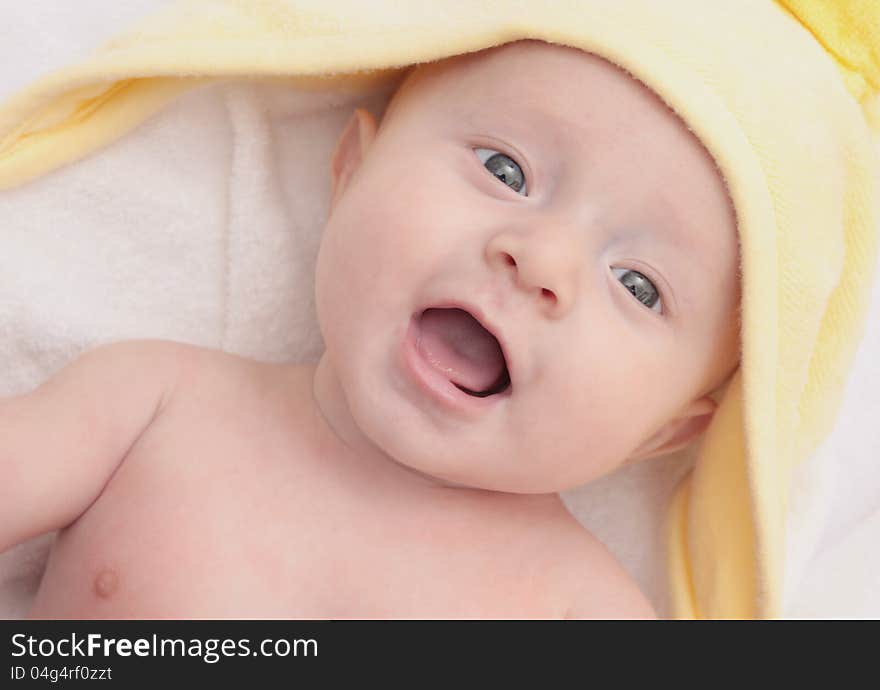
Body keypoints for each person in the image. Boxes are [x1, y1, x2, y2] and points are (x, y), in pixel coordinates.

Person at [1, 39, 741, 618]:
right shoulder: (153, 403)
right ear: (353, 171)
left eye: (639, 285)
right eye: (505, 171)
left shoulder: (582, 610)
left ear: (663, 433)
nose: (541, 258)